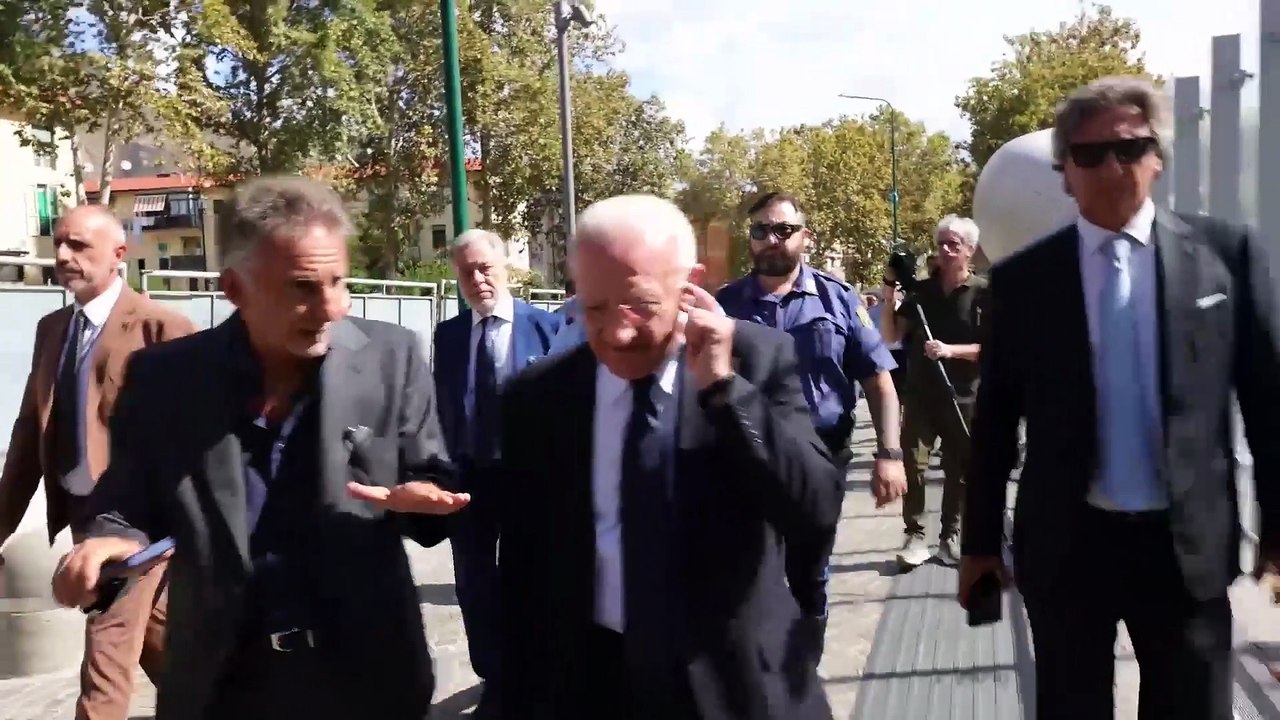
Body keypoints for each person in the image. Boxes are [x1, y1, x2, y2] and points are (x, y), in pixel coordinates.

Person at [51, 176, 470, 720]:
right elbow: (127, 499)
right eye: (302, 287)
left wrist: (429, 495)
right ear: (234, 288)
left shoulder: (391, 356)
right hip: (224, 683)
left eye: (338, 282)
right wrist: (104, 542)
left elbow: (430, 475)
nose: (330, 308)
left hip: (368, 678)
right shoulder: (166, 379)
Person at [959, 76, 1280, 720]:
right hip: (1069, 545)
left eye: (1129, 149)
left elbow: (1268, 402)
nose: (1112, 166)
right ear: (1064, 173)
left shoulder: (1227, 256)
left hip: (1185, 547)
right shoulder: (1023, 282)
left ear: (1156, 158)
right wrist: (979, 547)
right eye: (1089, 155)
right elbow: (993, 422)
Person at [498, 194, 842, 719]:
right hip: (595, 686)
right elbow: (525, 571)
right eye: (593, 308)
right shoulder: (539, 398)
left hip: (732, 687)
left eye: (640, 305)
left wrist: (725, 392)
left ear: (690, 285)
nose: (617, 332)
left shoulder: (758, 359)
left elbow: (813, 509)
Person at [0, 205, 194, 720]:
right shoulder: (53, 330)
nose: (64, 255)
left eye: (80, 246)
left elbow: (199, 437)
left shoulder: (162, 327)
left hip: (138, 527)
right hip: (86, 519)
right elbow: (27, 439)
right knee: (167, 652)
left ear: (119, 255)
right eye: (60, 243)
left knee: (106, 659)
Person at [715, 192, 905, 650]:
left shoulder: (838, 300)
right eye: (760, 230)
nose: (771, 239)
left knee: (808, 572)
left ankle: (802, 673)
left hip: (821, 457)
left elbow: (879, 381)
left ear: (806, 237)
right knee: (745, 572)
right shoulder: (724, 305)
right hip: (744, 459)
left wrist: (890, 454)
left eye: (783, 229)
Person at [432, 228, 558, 717]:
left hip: (531, 480)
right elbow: (442, 406)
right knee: (475, 584)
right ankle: (495, 677)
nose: (477, 278)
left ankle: (535, 672)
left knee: (531, 579)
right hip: (469, 478)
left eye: (485, 267)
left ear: (507, 267)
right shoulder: (449, 336)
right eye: (466, 271)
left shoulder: (546, 328)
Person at [879, 215, 987, 569]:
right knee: (915, 465)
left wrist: (951, 351)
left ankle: (950, 536)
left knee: (957, 470)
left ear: (969, 251)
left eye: (953, 244)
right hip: (921, 394)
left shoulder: (984, 292)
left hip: (963, 396)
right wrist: (889, 289)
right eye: (941, 243)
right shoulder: (921, 291)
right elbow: (891, 336)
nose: (944, 249)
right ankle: (916, 535)